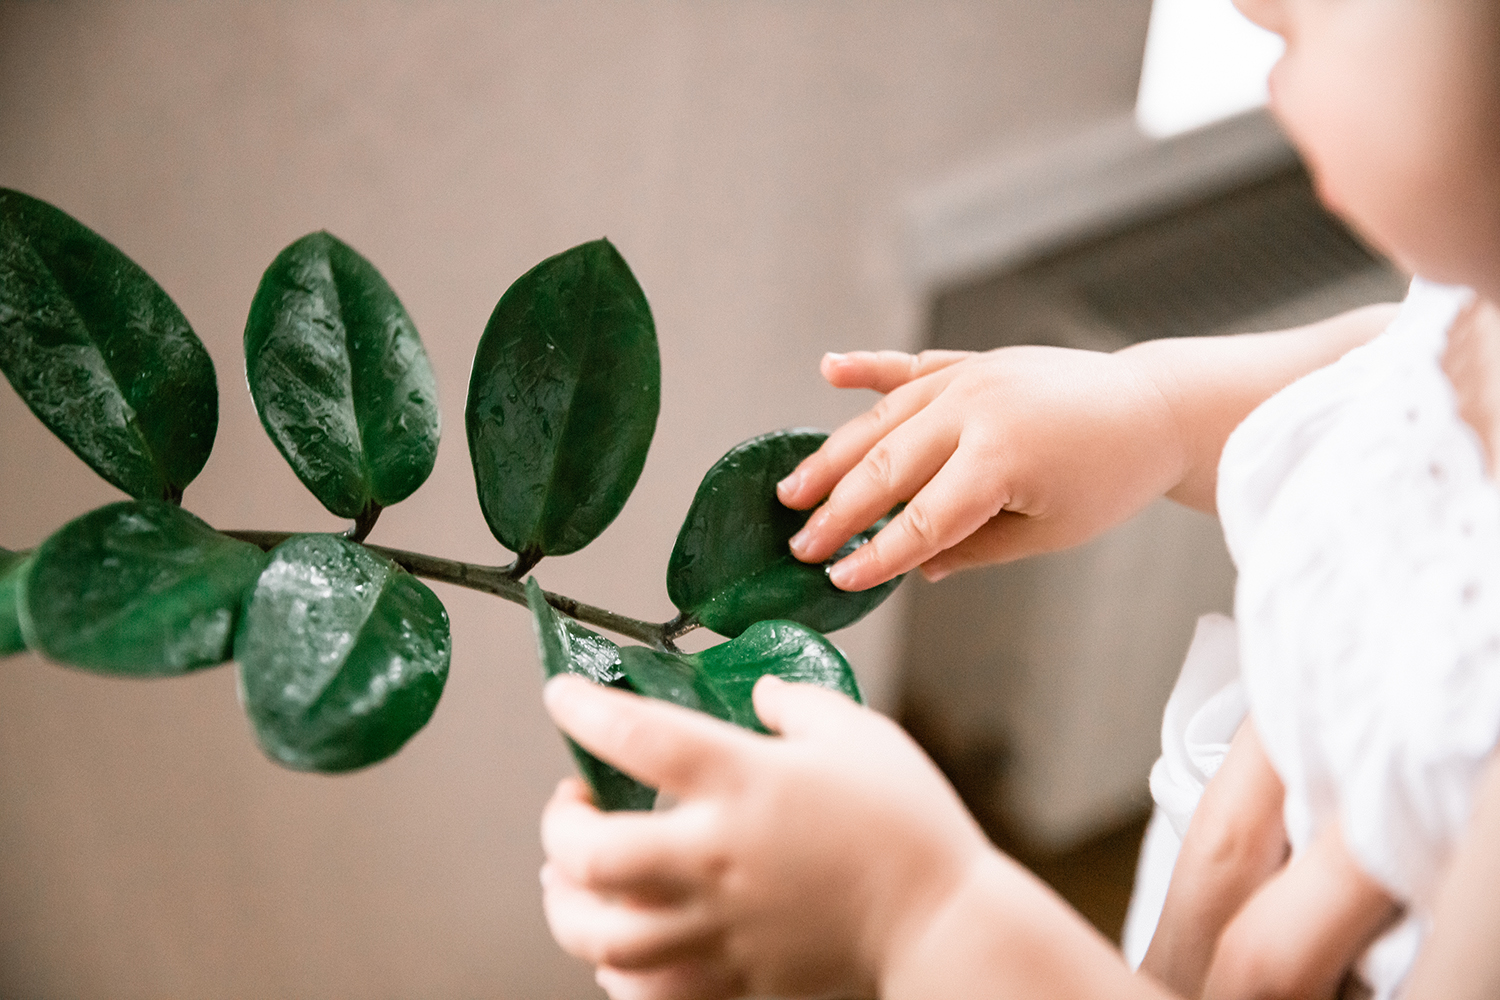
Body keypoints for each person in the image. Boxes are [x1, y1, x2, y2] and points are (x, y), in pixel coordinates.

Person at [538, 0, 1500, 996]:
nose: (1253, 6)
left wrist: (919, 915)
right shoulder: (1475, 301)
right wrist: (1157, 411)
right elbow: (1392, 383)